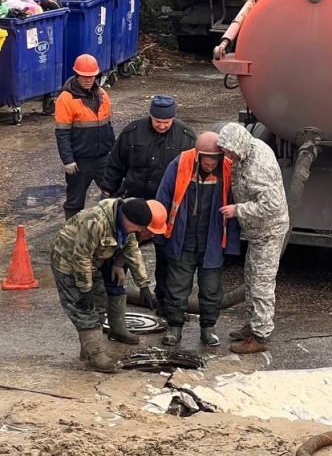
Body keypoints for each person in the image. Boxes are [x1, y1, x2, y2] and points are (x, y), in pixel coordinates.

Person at [101, 94, 196, 315]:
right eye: (157, 121)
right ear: (150, 116)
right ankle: (111, 299)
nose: (162, 126)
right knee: (118, 252)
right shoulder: (133, 132)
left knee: (166, 258)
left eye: (167, 122)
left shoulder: (186, 137)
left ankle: (164, 303)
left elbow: (192, 174)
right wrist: (107, 191)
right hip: (133, 205)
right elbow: (115, 163)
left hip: (166, 209)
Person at [50, 197, 167, 372]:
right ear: (128, 219)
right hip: (68, 263)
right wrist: (85, 289)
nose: (140, 231)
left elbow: (132, 251)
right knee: (83, 307)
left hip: (92, 262)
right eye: (138, 227)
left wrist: (143, 285)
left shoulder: (124, 226)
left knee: (98, 303)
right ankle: (96, 355)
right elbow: (81, 257)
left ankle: (88, 351)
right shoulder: (95, 221)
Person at [155, 131, 241, 348]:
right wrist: (159, 234)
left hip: (212, 243)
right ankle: (174, 327)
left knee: (211, 288)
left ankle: (208, 328)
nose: (210, 165)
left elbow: (233, 213)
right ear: (198, 156)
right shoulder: (180, 164)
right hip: (182, 240)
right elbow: (163, 199)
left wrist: (231, 247)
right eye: (206, 160)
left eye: (214, 161)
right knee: (176, 286)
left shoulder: (228, 170)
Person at [216, 122, 289, 354]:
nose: (227, 156)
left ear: (239, 147)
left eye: (229, 152)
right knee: (250, 278)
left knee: (261, 284)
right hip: (257, 231)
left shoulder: (259, 166)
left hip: (268, 231)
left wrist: (238, 210)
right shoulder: (248, 151)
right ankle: (254, 324)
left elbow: (272, 205)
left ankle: (261, 336)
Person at [54, 54, 115, 221]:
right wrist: (67, 160)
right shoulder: (66, 99)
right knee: (75, 201)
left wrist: (114, 153)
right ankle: (71, 236)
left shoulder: (102, 95)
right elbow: (62, 132)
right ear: (77, 74)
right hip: (80, 162)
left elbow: (108, 126)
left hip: (103, 158)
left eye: (91, 76)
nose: (88, 80)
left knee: (113, 197)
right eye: (84, 76)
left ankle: (109, 234)